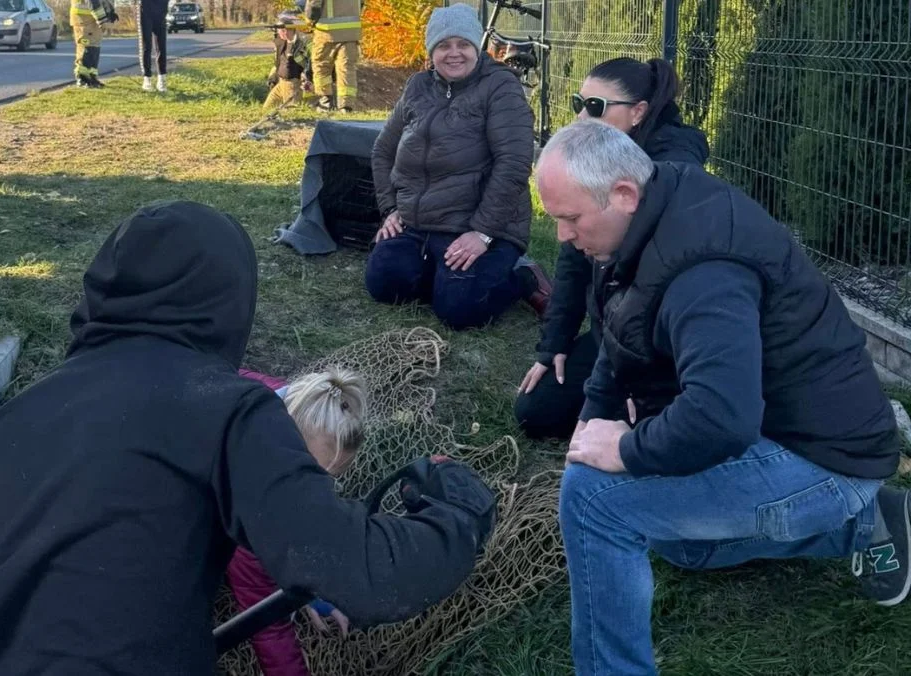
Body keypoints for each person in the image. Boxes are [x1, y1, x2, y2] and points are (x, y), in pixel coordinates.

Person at [0, 200, 497, 675]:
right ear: (229, 301)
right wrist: (460, 513)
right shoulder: (229, 410)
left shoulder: (6, 421)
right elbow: (363, 573)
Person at [538, 120, 906, 676]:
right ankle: (864, 523)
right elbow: (618, 334)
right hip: (788, 426)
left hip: (827, 458)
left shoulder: (703, 271)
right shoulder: (651, 212)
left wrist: (627, 450)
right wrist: (591, 423)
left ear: (623, 194)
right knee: (673, 539)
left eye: (570, 218)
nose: (563, 235)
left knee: (595, 498)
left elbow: (723, 417)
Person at [514, 56, 710, 439]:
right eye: (579, 103)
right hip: (612, 335)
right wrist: (554, 344)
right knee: (535, 410)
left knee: (642, 428)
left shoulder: (674, 175)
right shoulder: (596, 158)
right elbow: (573, 260)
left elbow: (656, 288)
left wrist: (635, 381)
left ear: (638, 112)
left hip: (664, 344)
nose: (582, 117)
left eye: (596, 106)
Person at [367, 3, 551, 331]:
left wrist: (482, 233)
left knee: (459, 310)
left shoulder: (501, 87)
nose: (454, 53)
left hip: (480, 223)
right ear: (431, 51)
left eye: (463, 44)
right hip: (419, 223)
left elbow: (513, 164)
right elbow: (383, 150)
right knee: (383, 284)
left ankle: (521, 276)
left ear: (476, 47)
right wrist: (390, 208)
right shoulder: (418, 86)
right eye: (443, 45)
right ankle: (445, 277)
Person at [226, 367, 365, 676]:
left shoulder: (299, 403)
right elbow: (265, 621)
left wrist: (312, 590)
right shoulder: (247, 499)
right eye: (306, 474)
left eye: (326, 478)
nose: (314, 489)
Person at [304, 0, 360, 112]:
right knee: (346, 68)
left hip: (326, 31)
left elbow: (314, 4)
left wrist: (310, 20)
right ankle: (346, 106)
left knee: (321, 65)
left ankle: (325, 101)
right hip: (351, 31)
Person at [263, 15, 313, 114]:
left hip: (293, 85)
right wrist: (273, 77)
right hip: (280, 84)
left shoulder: (301, 45)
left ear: (285, 31)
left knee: (292, 113)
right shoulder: (281, 44)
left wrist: (307, 79)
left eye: (279, 30)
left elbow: (310, 65)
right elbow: (278, 63)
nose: (277, 33)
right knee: (266, 109)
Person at [70, 0, 116, 89]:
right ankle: (83, 78)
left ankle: (92, 77)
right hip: (84, 18)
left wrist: (109, 13)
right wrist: (102, 20)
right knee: (86, 47)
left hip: (92, 17)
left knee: (94, 46)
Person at [139, 0, 169, 92]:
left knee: (161, 46)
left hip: (161, 10)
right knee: (146, 46)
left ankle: (162, 78)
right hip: (146, 10)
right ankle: (147, 78)